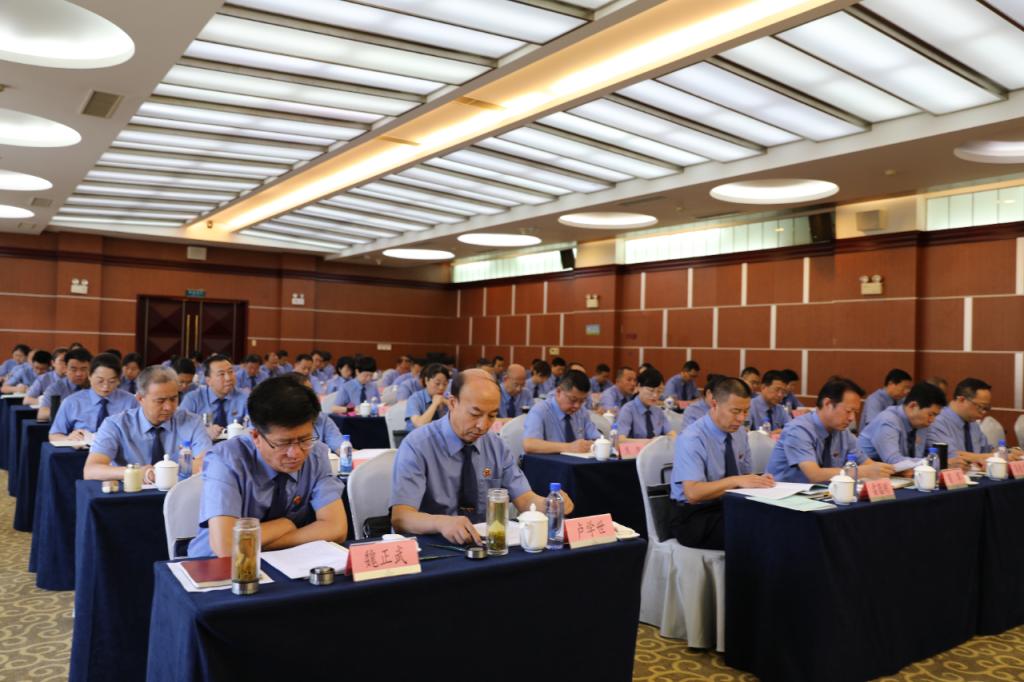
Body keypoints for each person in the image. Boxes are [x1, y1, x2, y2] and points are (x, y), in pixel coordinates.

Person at [390, 369, 574, 545]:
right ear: (452, 403)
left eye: (492, 416)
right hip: (434, 545)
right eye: (475, 414)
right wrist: (441, 523)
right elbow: (401, 517)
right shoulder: (417, 445)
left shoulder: (496, 446)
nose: (483, 425)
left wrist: (548, 504)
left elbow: (525, 499)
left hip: (485, 543)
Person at [187, 377, 347, 558]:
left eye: (304, 439)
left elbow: (336, 528)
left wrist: (260, 544)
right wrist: (285, 524)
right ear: (256, 436)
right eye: (283, 443)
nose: (295, 453)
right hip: (214, 564)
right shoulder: (225, 460)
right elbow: (226, 546)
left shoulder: (316, 454)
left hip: (284, 560)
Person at [669, 377, 774, 550]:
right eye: (735, 411)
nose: (741, 418)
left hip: (728, 505)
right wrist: (736, 481)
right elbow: (693, 493)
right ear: (714, 404)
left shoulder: (739, 433)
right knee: (757, 531)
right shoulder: (692, 438)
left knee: (779, 519)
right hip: (694, 516)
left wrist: (759, 481)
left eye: (746, 411)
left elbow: (744, 477)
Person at [84, 366, 212, 482]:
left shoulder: (191, 421)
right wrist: (137, 472)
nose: (168, 407)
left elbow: (208, 463)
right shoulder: (116, 425)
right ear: (140, 398)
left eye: (173, 399)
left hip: (178, 494)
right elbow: (91, 470)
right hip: (132, 494)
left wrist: (164, 472)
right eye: (160, 401)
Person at [767, 378, 895, 483]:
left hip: (822, 495)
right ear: (827, 403)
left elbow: (868, 464)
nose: (852, 418)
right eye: (848, 411)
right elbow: (814, 475)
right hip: (783, 498)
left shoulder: (843, 432)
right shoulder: (798, 429)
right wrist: (860, 472)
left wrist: (886, 469)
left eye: (855, 413)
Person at [923, 378, 1021, 464]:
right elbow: (952, 455)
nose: (983, 412)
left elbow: (986, 450)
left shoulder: (972, 422)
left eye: (986, 408)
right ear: (961, 400)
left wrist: (1007, 452)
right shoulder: (937, 421)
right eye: (980, 407)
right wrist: (996, 456)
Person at [49, 353, 136, 443]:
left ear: (119, 380)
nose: (105, 387)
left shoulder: (131, 401)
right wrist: (68, 439)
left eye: (111, 381)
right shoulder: (72, 402)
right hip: (82, 450)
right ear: (89, 376)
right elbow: (54, 435)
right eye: (100, 381)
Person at [858, 381, 947, 468]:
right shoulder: (888, 420)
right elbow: (894, 460)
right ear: (913, 406)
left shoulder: (921, 425)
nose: (932, 420)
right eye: (930, 414)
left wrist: (938, 461)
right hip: (864, 473)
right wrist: (930, 462)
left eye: (935, 416)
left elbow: (933, 452)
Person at [522, 369, 601, 454]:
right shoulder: (540, 410)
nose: (577, 406)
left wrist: (596, 443)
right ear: (558, 392)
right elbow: (529, 444)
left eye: (582, 401)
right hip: (549, 461)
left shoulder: (582, 412)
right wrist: (569, 447)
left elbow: (596, 438)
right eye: (573, 400)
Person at [180, 354, 249, 437]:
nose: (228, 378)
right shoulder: (193, 399)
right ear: (208, 381)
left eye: (230, 372)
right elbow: (181, 427)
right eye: (221, 374)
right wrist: (203, 432)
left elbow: (254, 427)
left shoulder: (245, 398)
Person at [287, 372, 343, 451]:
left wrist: (349, 453)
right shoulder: (280, 423)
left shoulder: (321, 418)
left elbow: (338, 444)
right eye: (307, 392)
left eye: (312, 391)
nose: (313, 396)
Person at [37, 347, 92, 421]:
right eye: (74, 369)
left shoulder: (96, 386)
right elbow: (42, 414)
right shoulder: (56, 388)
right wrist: (68, 408)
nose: (78, 374)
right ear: (66, 368)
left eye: (83, 369)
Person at [617, 368, 671, 438]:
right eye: (651, 390)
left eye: (659, 391)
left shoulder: (658, 411)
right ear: (639, 387)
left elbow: (670, 433)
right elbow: (620, 440)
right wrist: (652, 442)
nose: (655, 395)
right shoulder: (628, 410)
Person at [405, 363, 451, 429]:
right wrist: (434, 404)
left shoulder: (447, 398)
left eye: (445, 384)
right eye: (437, 383)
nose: (441, 388)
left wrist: (449, 405)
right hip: (416, 434)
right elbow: (419, 424)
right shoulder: (415, 399)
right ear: (426, 380)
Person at [748, 370, 791, 434]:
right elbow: (745, 433)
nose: (780, 395)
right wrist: (770, 434)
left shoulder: (780, 409)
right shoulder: (749, 407)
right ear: (763, 387)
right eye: (777, 390)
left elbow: (792, 428)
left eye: (783, 392)